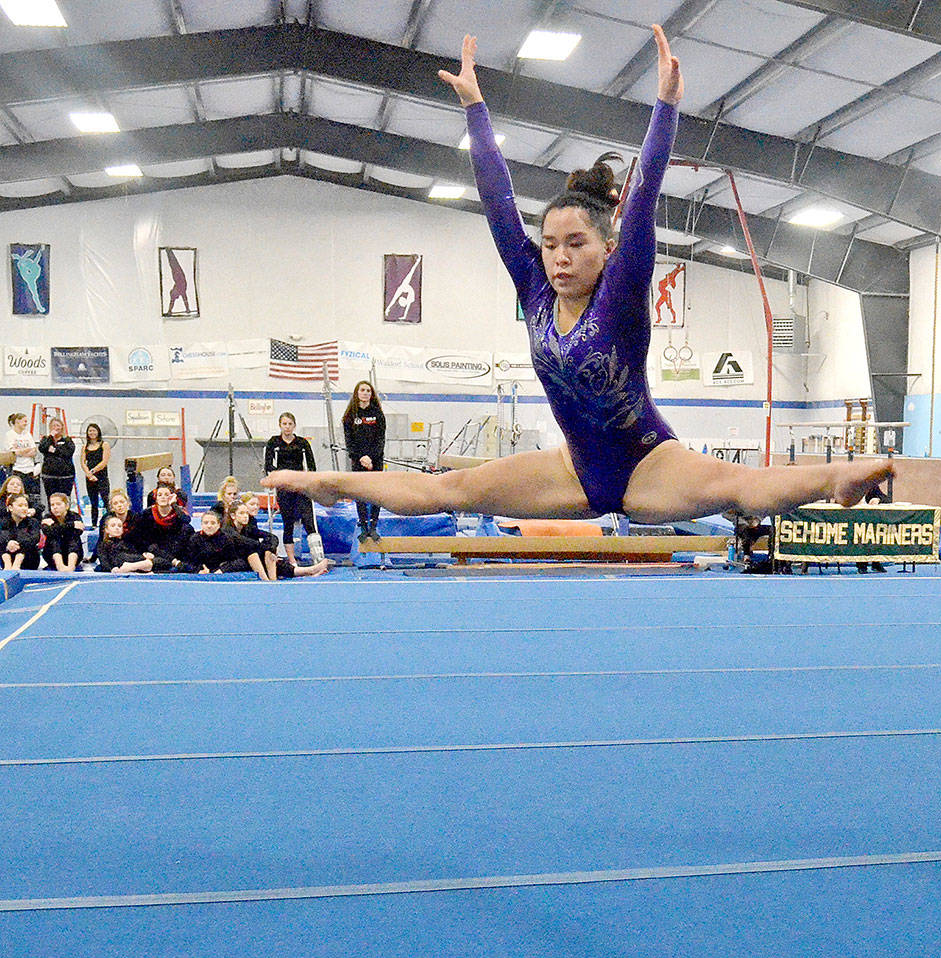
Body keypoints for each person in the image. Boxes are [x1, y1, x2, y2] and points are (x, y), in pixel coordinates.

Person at [264, 27, 892, 525]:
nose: (558, 257)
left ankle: (833, 478)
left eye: (575, 244)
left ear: (606, 248)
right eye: (550, 246)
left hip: (649, 465)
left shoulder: (620, 293)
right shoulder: (535, 292)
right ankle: (327, 482)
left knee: (740, 487)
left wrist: (666, 107)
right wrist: (477, 112)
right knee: (447, 490)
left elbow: (641, 200)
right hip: (571, 471)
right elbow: (498, 206)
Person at [264, 412, 322, 563]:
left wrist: (310, 482)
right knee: (288, 522)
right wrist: (278, 477)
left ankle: (318, 557)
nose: (287, 427)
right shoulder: (274, 442)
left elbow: (312, 465)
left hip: (301, 486)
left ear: (294, 426)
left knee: (309, 520)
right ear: (280, 425)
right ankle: (292, 560)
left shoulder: (302, 443)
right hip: (284, 486)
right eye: (284, 424)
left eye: (290, 424)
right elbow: (268, 465)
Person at [229, 501, 328, 580]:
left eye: (246, 513)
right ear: (233, 515)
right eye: (241, 513)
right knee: (256, 554)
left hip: (250, 560)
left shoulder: (248, 526)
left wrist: (270, 550)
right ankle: (269, 581)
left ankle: (309, 571)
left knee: (273, 557)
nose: (246, 516)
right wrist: (266, 551)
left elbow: (271, 537)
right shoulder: (229, 530)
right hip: (233, 562)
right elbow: (247, 544)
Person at [341, 382, 387, 543]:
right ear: (357, 393)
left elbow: (380, 440)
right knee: (360, 493)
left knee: (376, 494)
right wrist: (361, 457)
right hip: (358, 460)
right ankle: (363, 526)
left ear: (372, 394)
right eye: (363, 390)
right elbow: (349, 442)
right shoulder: (349, 416)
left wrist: (371, 458)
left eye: (368, 391)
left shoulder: (378, 414)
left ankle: (373, 526)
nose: (366, 393)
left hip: (375, 461)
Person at [179, 510, 269, 579]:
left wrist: (223, 569)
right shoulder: (194, 539)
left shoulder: (226, 539)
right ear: (201, 525)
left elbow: (238, 561)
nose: (209, 526)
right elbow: (187, 562)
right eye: (206, 523)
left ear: (218, 525)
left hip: (222, 574)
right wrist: (198, 570)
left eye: (213, 523)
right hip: (201, 575)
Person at [129, 483, 192, 572]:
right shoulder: (147, 513)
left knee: (187, 529)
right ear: (156, 498)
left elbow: (186, 521)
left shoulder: (177, 512)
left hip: (174, 549)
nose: (163, 497)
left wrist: (174, 504)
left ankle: (167, 562)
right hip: (155, 550)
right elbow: (140, 536)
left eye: (166, 495)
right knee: (153, 549)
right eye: (160, 495)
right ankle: (174, 562)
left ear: (172, 497)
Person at [37, 417, 76, 509]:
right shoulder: (46, 439)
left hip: (65, 476)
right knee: (51, 499)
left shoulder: (67, 440)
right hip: (49, 476)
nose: (56, 428)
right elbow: (42, 448)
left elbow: (67, 452)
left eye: (58, 425)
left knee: (64, 499)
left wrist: (54, 450)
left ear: (62, 427)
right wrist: (50, 436)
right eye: (53, 425)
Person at [40, 492, 85, 571]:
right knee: (54, 539)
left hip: (72, 553)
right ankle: (60, 565)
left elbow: (78, 532)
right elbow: (48, 532)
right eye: (52, 505)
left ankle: (71, 566)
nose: (55, 507)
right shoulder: (47, 517)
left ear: (67, 506)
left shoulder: (75, 516)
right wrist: (71, 525)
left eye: (58, 504)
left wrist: (56, 528)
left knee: (72, 538)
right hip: (52, 556)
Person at [4, 412, 40, 503]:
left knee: (29, 495)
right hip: (17, 469)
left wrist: (22, 451)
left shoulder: (27, 434)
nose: (26, 423)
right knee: (17, 495)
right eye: (24, 421)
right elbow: (14, 452)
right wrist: (25, 450)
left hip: (29, 469)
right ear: (17, 422)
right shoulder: (10, 435)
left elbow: (34, 451)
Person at [80, 422, 111, 525]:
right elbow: (83, 462)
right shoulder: (85, 446)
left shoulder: (104, 445)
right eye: (90, 431)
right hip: (89, 477)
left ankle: (110, 521)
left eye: (94, 430)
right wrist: (88, 474)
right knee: (93, 502)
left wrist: (93, 471)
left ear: (98, 432)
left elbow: (104, 462)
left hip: (101, 476)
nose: (92, 433)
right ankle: (94, 524)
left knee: (106, 499)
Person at [2, 493, 41, 569]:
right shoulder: (3, 521)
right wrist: (8, 543)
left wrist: (18, 544)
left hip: (28, 560)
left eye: (26, 505)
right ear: (10, 508)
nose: (24, 508)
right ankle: (7, 564)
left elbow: (35, 538)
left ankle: (17, 563)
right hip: (8, 556)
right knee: (3, 544)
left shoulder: (33, 521)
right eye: (20, 506)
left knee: (27, 542)